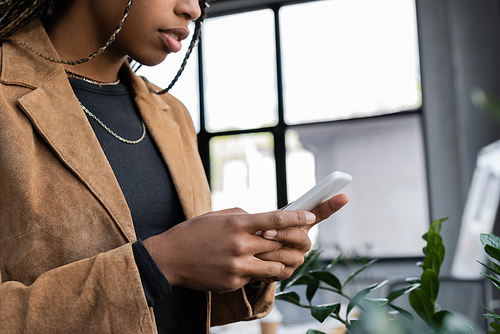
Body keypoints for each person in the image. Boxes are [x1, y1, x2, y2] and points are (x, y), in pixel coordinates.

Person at [0, 0, 349, 333]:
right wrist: (158, 264)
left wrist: (252, 262)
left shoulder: (172, 114)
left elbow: (173, 308)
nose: (193, 9)